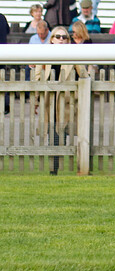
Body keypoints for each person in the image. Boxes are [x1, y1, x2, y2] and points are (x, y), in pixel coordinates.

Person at [32, 26, 88, 175]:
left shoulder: (73, 54)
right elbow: (37, 78)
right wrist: (36, 101)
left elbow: (83, 74)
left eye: (64, 37)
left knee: (66, 133)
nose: (61, 40)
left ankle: (70, 167)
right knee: (52, 134)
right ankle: (53, 169)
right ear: (52, 39)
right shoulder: (44, 54)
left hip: (66, 101)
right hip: (49, 101)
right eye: (58, 37)